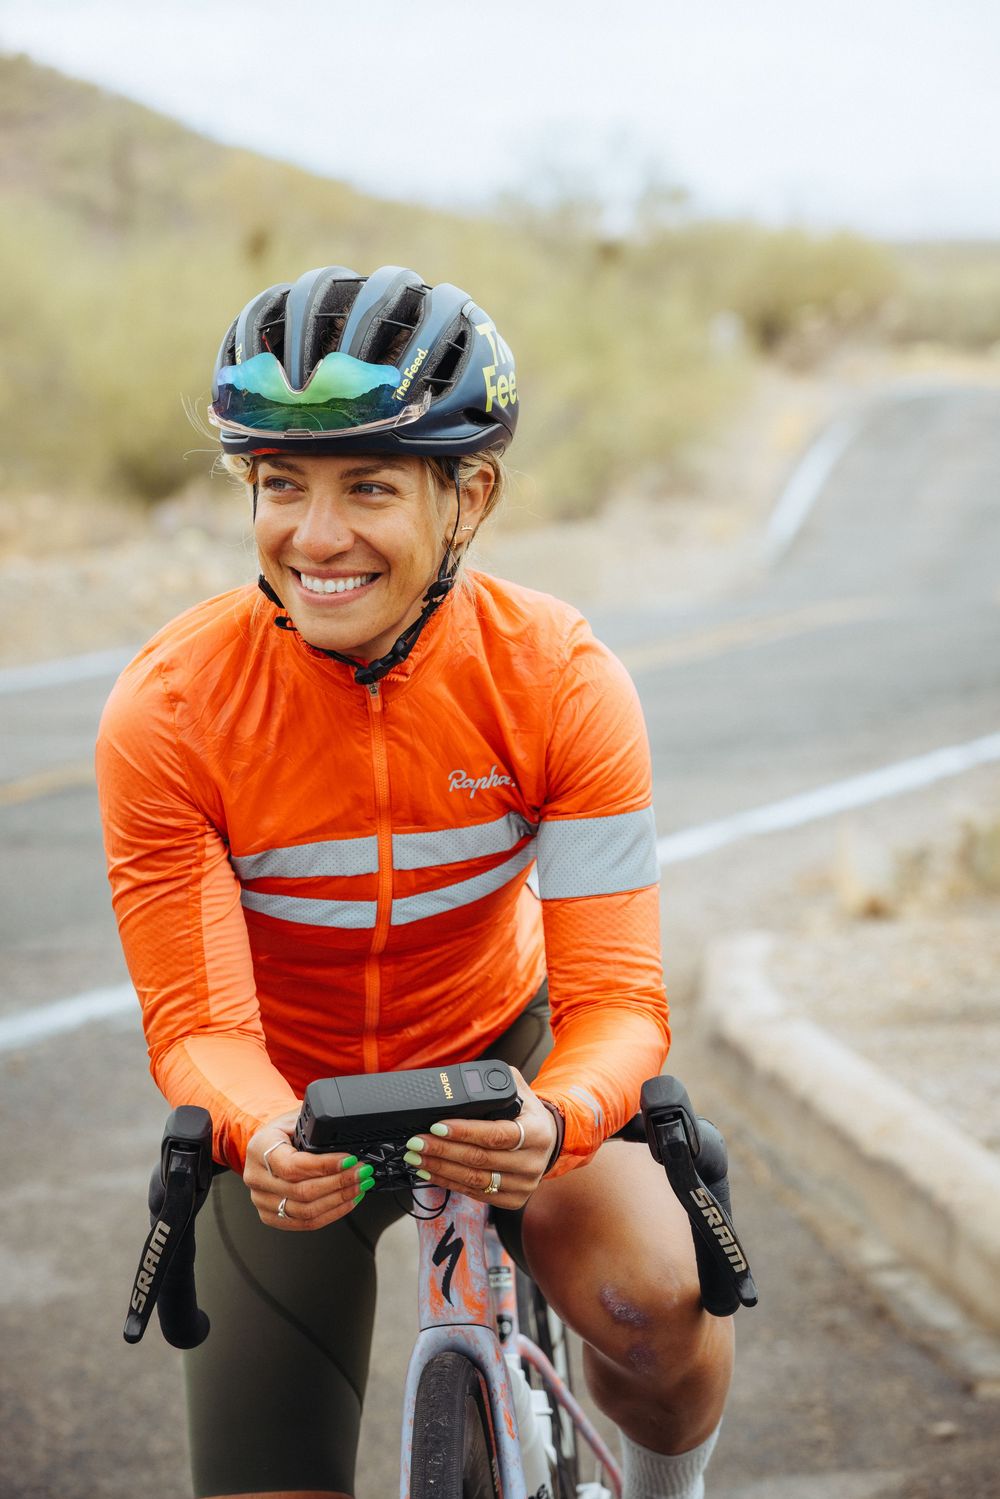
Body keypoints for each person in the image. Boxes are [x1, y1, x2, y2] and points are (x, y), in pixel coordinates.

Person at [96, 263, 733, 1499]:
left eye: (370, 487)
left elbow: (615, 1003)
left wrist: (558, 1115)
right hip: (291, 1105)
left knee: (656, 1302)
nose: (314, 536)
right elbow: (198, 1026)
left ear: (468, 495)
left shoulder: (559, 678)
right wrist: (261, 1129)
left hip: (506, 1060)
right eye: (280, 485)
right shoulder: (170, 709)